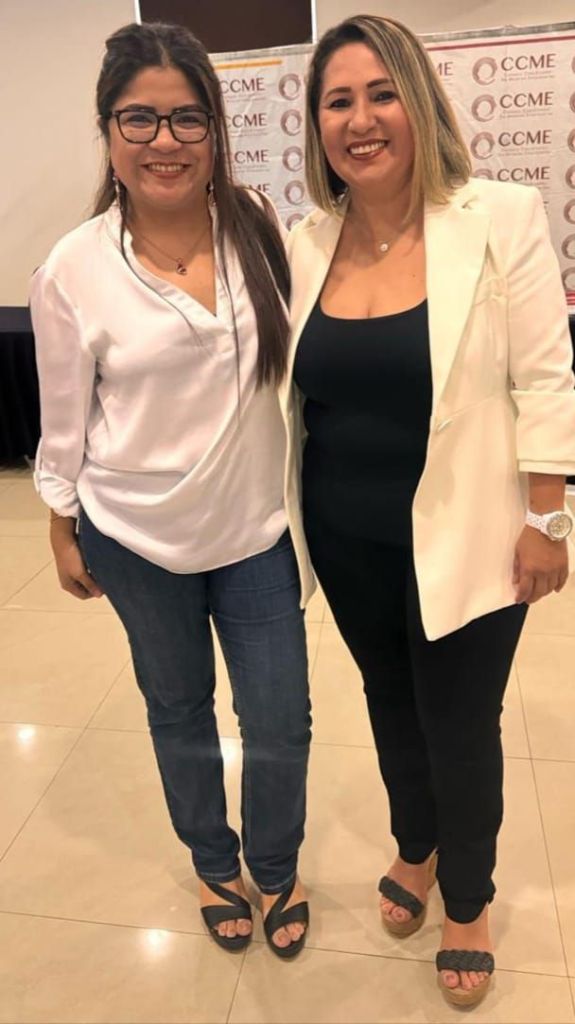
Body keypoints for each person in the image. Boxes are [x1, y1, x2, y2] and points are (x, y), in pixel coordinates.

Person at [280, 13, 575, 1007]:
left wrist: (547, 520)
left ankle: (468, 898)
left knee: (459, 719)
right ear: (316, 124)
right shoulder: (306, 242)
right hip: (345, 531)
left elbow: (545, 378)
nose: (359, 120)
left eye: (379, 94)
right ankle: (416, 844)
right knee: (388, 700)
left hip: (472, 531)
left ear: (417, 101)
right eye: (336, 101)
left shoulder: (497, 215)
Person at [31, 20, 313, 960]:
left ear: (215, 128)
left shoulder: (258, 221)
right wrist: (62, 524)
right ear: (108, 131)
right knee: (179, 707)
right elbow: (65, 415)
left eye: (188, 118)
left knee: (278, 717)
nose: (166, 140)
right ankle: (213, 862)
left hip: (254, 528)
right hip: (135, 536)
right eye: (139, 119)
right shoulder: (73, 268)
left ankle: (274, 865)